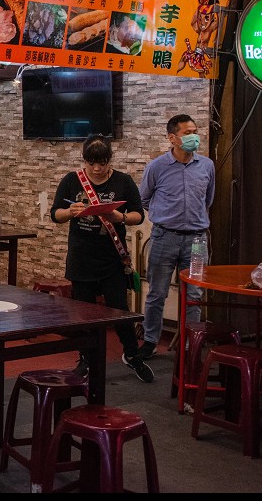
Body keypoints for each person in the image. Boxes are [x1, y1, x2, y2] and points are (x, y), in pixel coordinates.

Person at [51, 134, 153, 383]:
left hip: (113, 259)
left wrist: (121, 218)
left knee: (119, 309)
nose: (97, 169)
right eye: (91, 163)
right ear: (84, 159)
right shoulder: (72, 180)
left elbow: (139, 215)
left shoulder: (123, 181)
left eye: (102, 163)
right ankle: (85, 358)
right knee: (82, 313)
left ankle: (132, 355)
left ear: (110, 160)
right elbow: (55, 214)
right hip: (81, 257)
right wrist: (71, 212)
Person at [137, 113, 215, 360]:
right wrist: (164, 214)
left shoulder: (207, 165)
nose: (194, 136)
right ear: (172, 138)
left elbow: (208, 199)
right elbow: (143, 199)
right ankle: (150, 341)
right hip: (164, 237)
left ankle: (190, 346)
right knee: (157, 292)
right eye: (187, 133)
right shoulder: (157, 167)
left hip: (197, 240)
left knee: (194, 294)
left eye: (195, 131)